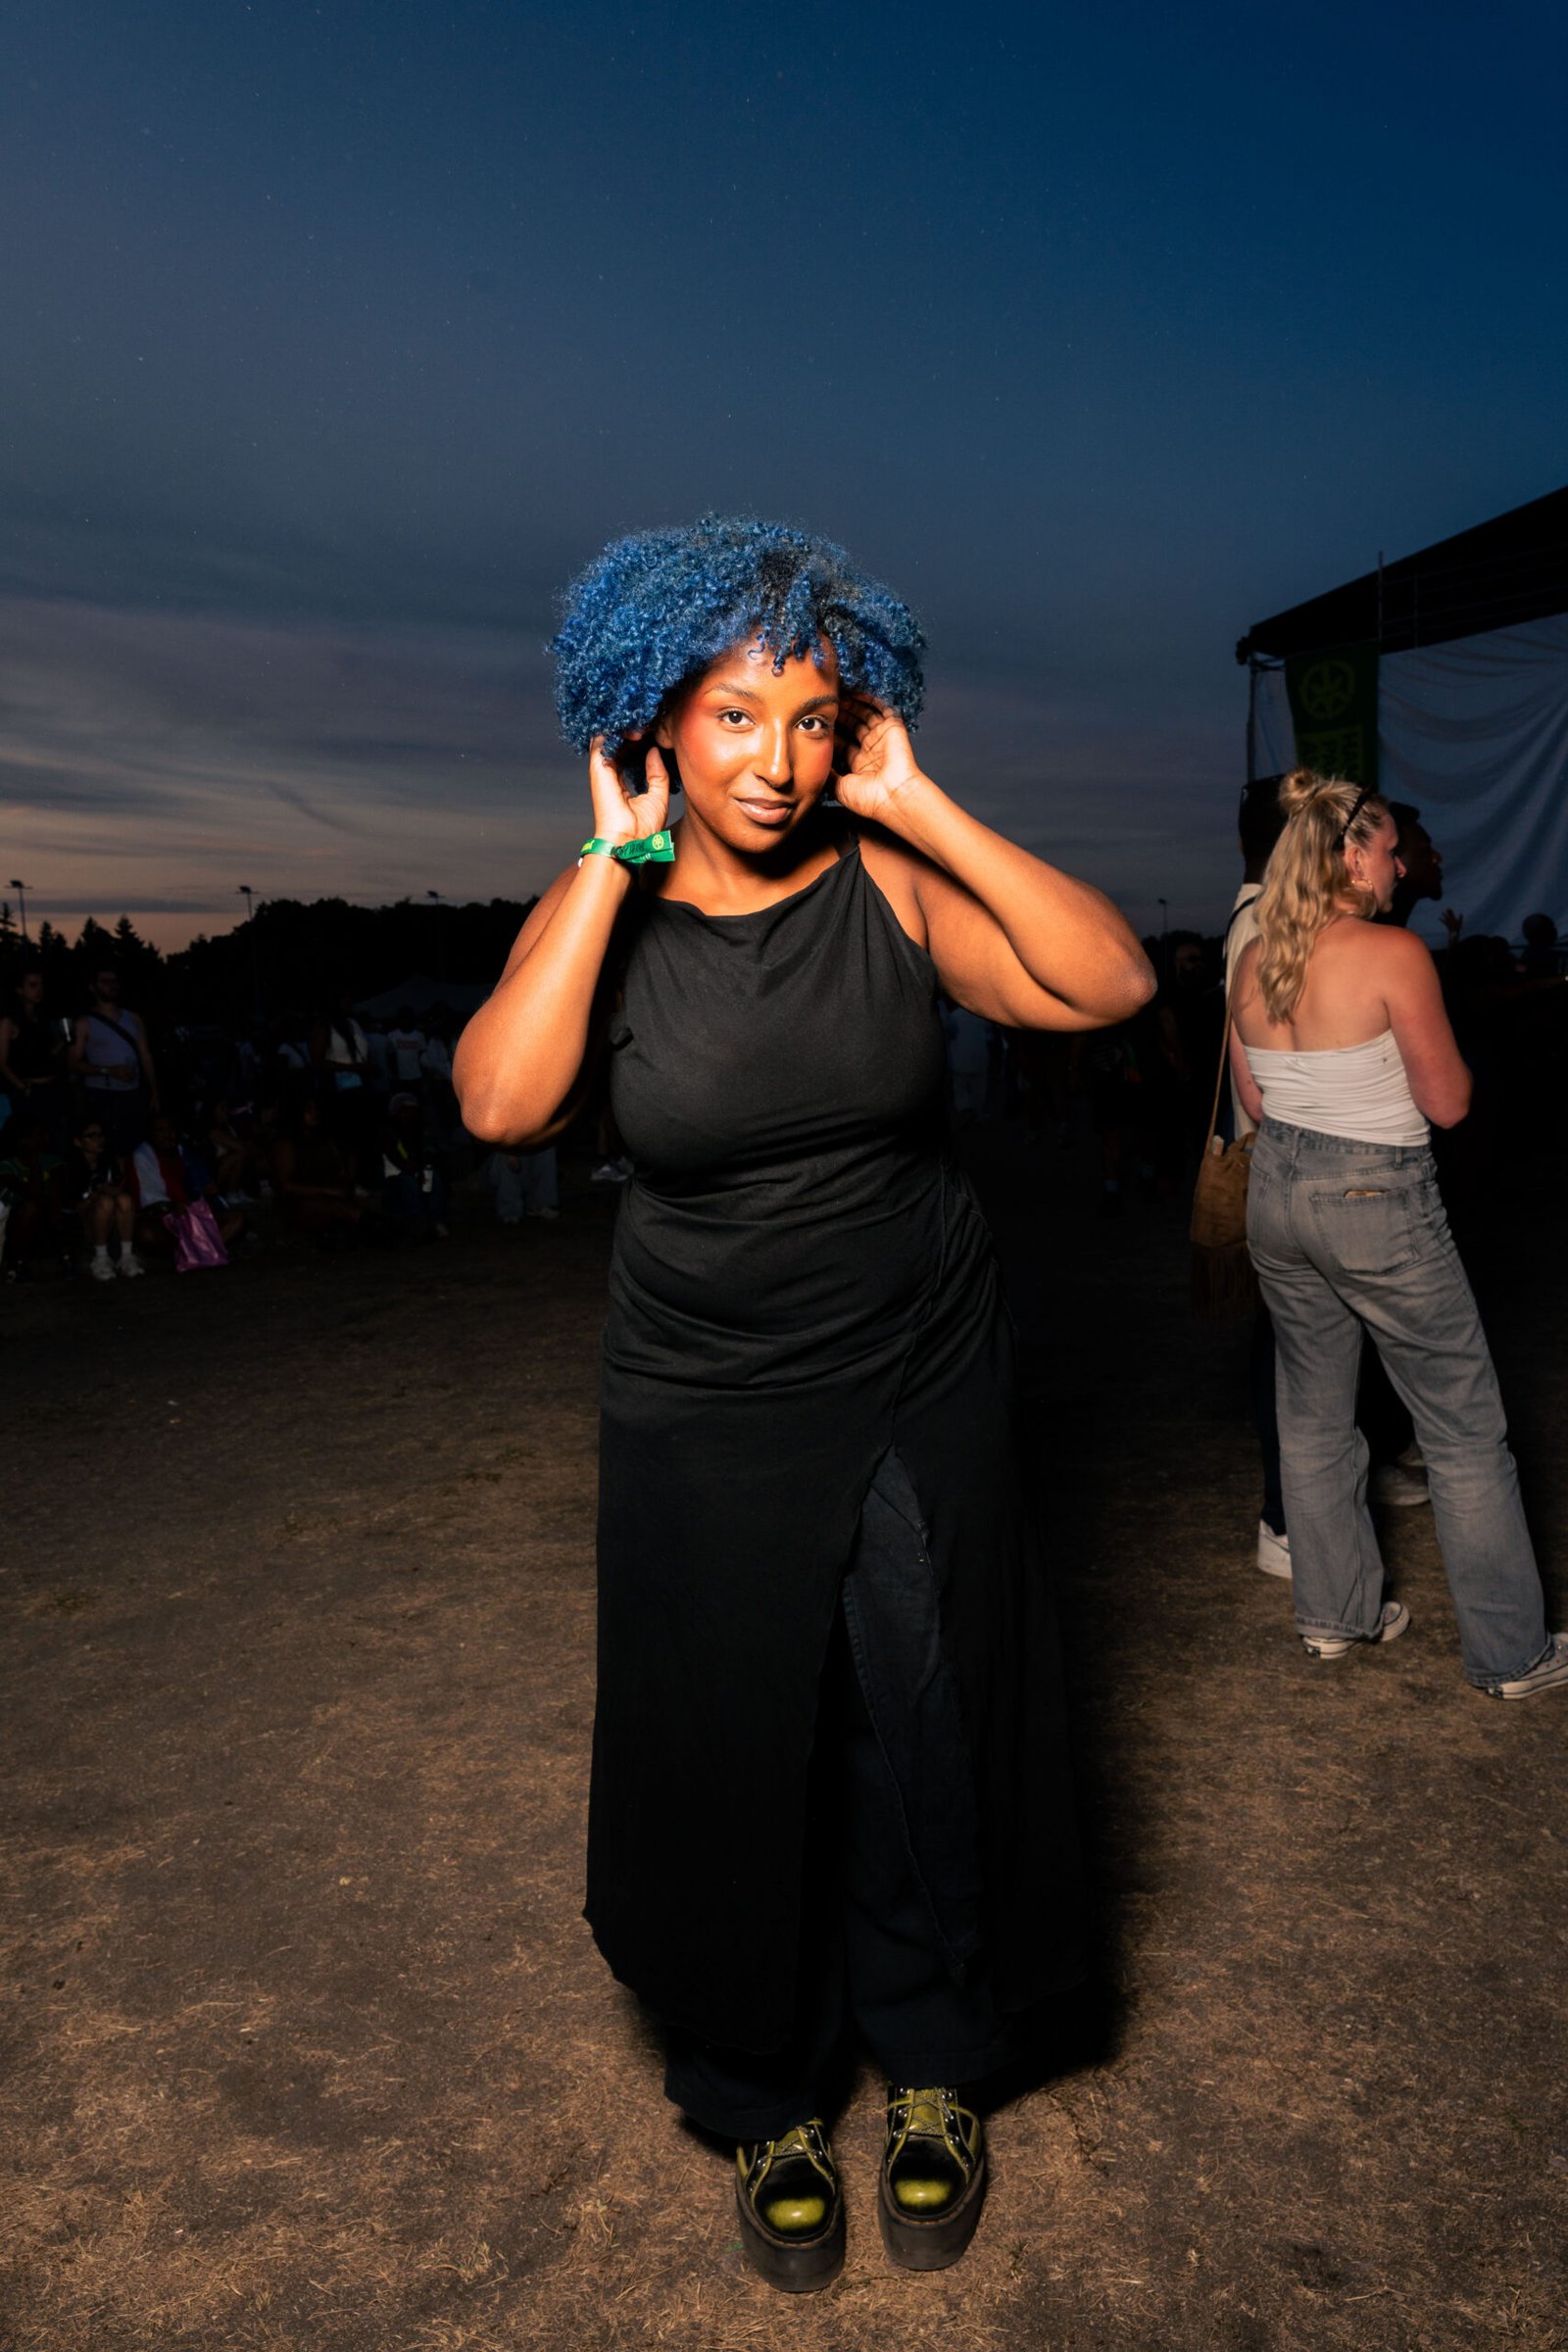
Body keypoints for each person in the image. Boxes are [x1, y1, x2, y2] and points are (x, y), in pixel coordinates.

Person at [455, 516, 1153, 2289]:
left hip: (921, 1365)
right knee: (731, 1739)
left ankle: (932, 2061)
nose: (778, 762)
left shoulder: (886, 881)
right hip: (703, 1397)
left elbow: (1112, 982)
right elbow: (502, 1107)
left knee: (924, 1714)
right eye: (738, 717)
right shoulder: (608, 914)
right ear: (653, 718)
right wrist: (607, 863)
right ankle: (762, 2088)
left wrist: (917, 806)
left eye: (816, 719)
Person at [1229, 769, 1565, 1701]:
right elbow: (1449, 1104)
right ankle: (1512, 1654)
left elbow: (1257, 1100)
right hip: (1375, 1197)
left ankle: (1334, 1616)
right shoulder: (1391, 953)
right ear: (1349, 857)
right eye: (1387, 850)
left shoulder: (1255, 960)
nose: (1400, 865)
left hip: (1277, 1196)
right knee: (1463, 1430)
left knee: (1311, 1415)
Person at [70, 965, 160, 1157]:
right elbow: (73, 1062)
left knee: (135, 1145)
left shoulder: (133, 1018)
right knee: (108, 1148)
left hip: (133, 1093)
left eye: (114, 981)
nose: (111, 986)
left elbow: (146, 1055)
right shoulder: (84, 1022)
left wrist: (154, 1090)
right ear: (92, 987)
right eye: (105, 981)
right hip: (103, 1095)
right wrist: (108, 1070)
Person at [62, 1115, 142, 1279]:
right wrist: (95, 1196)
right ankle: (100, 1258)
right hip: (83, 1228)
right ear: (78, 1142)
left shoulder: (109, 1162)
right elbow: (72, 1210)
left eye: (100, 1134)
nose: (99, 1139)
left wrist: (115, 1190)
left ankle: (126, 1257)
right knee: (105, 1202)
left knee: (124, 1199)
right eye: (91, 1136)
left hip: (112, 1225)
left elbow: (123, 1193)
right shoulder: (70, 1168)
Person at [0, 967, 72, 1144]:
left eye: (41, 985)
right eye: (33, 985)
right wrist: (23, 1088)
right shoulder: (10, 1021)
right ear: (19, 990)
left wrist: (63, 1041)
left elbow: (45, 1055)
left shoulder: (41, 1019)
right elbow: (1, 1062)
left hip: (52, 1087)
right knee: (32, 1142)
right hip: (30, 1091)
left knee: (56, 1139)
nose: (39, 990)